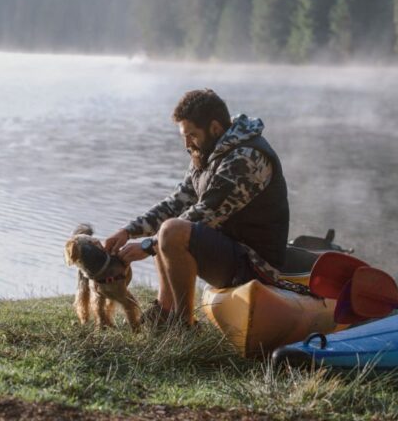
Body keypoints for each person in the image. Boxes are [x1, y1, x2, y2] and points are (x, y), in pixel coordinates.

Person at [103, 89, 290, 326]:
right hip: (231, 251)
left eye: (191, 135)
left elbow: (206, 214)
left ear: (214, 128)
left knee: (171, 231)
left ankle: (184, 324)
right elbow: (176, 203)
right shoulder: (208, 152)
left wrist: (148, 245)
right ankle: (166, 311)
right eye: (184, 135)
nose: (186, 143)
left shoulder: (247, 157)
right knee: (169, 227)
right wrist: (128, 231)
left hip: (257, 266)